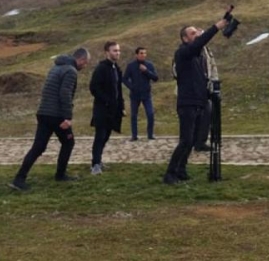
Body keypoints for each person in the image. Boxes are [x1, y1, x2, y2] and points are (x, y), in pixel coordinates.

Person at [10, 48, 91, 189]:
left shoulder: (56, 67)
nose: (85, 66)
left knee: (38, 147)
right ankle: (61, 175)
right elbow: (65, 94)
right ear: (81, 60)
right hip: (57, 115)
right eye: (86, 63)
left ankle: (19, 178)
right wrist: (67, 117)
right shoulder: (70, 71)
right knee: (68, 142)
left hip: (44, 112)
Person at [163, 16, 228, 184]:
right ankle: (170, 173)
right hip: (187, 103)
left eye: (196, 32)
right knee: (185, 140)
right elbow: (198, 44)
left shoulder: (198, 57)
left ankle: (181, 169)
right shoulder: (183, 53)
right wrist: (216, 27)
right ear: (185, 38)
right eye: (192, 33)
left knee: (191, 140)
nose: (196, 35)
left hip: (198, 102)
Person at [89, 41, 125, 175]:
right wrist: (107, 101)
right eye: (114, 50)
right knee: (100, 136)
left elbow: (118, 89)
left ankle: (99, 160)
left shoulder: (117, 68)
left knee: (106, 136)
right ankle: (95, 164)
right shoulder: (101, 68)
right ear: (107, 52)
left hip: (113, 110)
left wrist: (121, 106)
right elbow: (94, 88)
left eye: (118, 50)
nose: (117, 53)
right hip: (102, 109)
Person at [123, 47, 158, 141]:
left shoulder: (149, 65)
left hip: (146, 94)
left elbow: (155, 78)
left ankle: (150, 134)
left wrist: (146, 71)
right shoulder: (131, 66)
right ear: (137, 55)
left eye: (145, 53)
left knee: (150, 114)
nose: (143, 55)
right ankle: (134, 135)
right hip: (135, 95)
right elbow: (124, 79)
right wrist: (131, 87)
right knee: (134, 115)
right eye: (141, 53)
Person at [194, 32, 219, 152]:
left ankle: (201, 141)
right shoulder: (189, 51)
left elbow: (212, 67)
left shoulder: (207, 51)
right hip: (192, 90)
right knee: (194, 117)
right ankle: (191, 141)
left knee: (206, 114)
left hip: (205, 88)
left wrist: (214, 82)